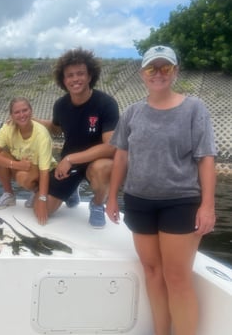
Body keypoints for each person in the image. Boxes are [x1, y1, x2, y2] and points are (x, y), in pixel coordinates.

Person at [105, 45, 217, 335]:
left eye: (165, 67)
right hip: (139, 202)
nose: (158, 74)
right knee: (153, 274)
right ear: (142, 74)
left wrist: (207, 206)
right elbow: (121, 156)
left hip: (180, 202)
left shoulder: (194, 108)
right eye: (151, 68)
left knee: (177, 278)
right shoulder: (132, 112)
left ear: (175, 71)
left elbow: (205, 158)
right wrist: (112, 196)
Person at [36, 47, 119, 228]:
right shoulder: (60, 105)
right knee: (43, 209)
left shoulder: (106, 104)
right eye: (70, 75)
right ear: (63, 80)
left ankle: (97, 204)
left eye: (80, 73)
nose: (75, 79)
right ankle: (72, 189)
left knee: (105, 167)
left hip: (94, 161)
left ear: (90, 76)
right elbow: (56, 129)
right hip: (70, 164)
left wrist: (70, 158)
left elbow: (111, 146)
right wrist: (32, 120)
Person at [0, 97, 57, 225]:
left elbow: (44, 171)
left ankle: (37, 192)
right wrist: (16, 164)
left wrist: (42, 199)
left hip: (46, 171)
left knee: (22, 177)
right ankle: (9, 194)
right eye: (17, 112)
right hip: (22, 166)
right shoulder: (8, 127)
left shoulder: (42, 134)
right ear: (11, 116)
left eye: (25, 110)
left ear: (31, 111)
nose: (21, 115)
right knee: (0, 156)